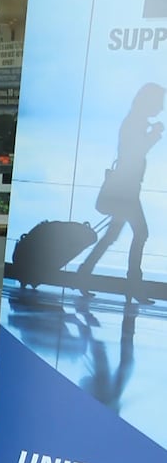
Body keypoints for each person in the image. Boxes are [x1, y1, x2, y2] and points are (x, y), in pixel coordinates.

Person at [78, 82, 164, 304]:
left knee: (113, 235)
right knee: (141, 233)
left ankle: (85, 273)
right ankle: (133, 285)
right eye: (159, 102)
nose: (162, 107)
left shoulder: (134, 122)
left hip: (126, 189)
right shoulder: (135, 123)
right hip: (126, 190)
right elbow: (136, 152)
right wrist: (154, 135)